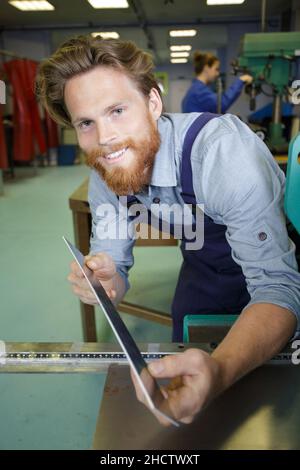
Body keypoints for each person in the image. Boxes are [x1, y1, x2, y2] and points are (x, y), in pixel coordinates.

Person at [36, 35, 300, 425]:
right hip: (205, 267)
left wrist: (221, 370)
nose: (105, 137)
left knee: (276, 402)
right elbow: (115, 270)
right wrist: (108, 282)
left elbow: (278, 287)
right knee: (185, 364)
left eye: (118, 110)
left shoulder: (222, 155)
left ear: (153, 103)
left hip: (278, 262)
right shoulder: (106, 172)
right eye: (86, 122)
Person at [182, 51, 253, 113]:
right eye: (216, 69)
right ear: (206, 68)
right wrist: (240, 81)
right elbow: (221, 104)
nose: (218, 73)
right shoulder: (199, 91)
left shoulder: (196, 88)